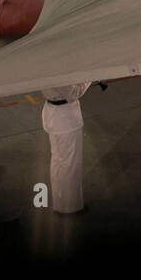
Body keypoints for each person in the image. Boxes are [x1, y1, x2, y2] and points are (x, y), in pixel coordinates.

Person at [40, 81, 95, 213]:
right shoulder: (56, 68)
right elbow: (73, 93)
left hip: (53, 113)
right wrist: (89, 78)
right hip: (65, 118)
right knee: (70, 164)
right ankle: (70, 207)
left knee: (58, 161)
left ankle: (60, 202)